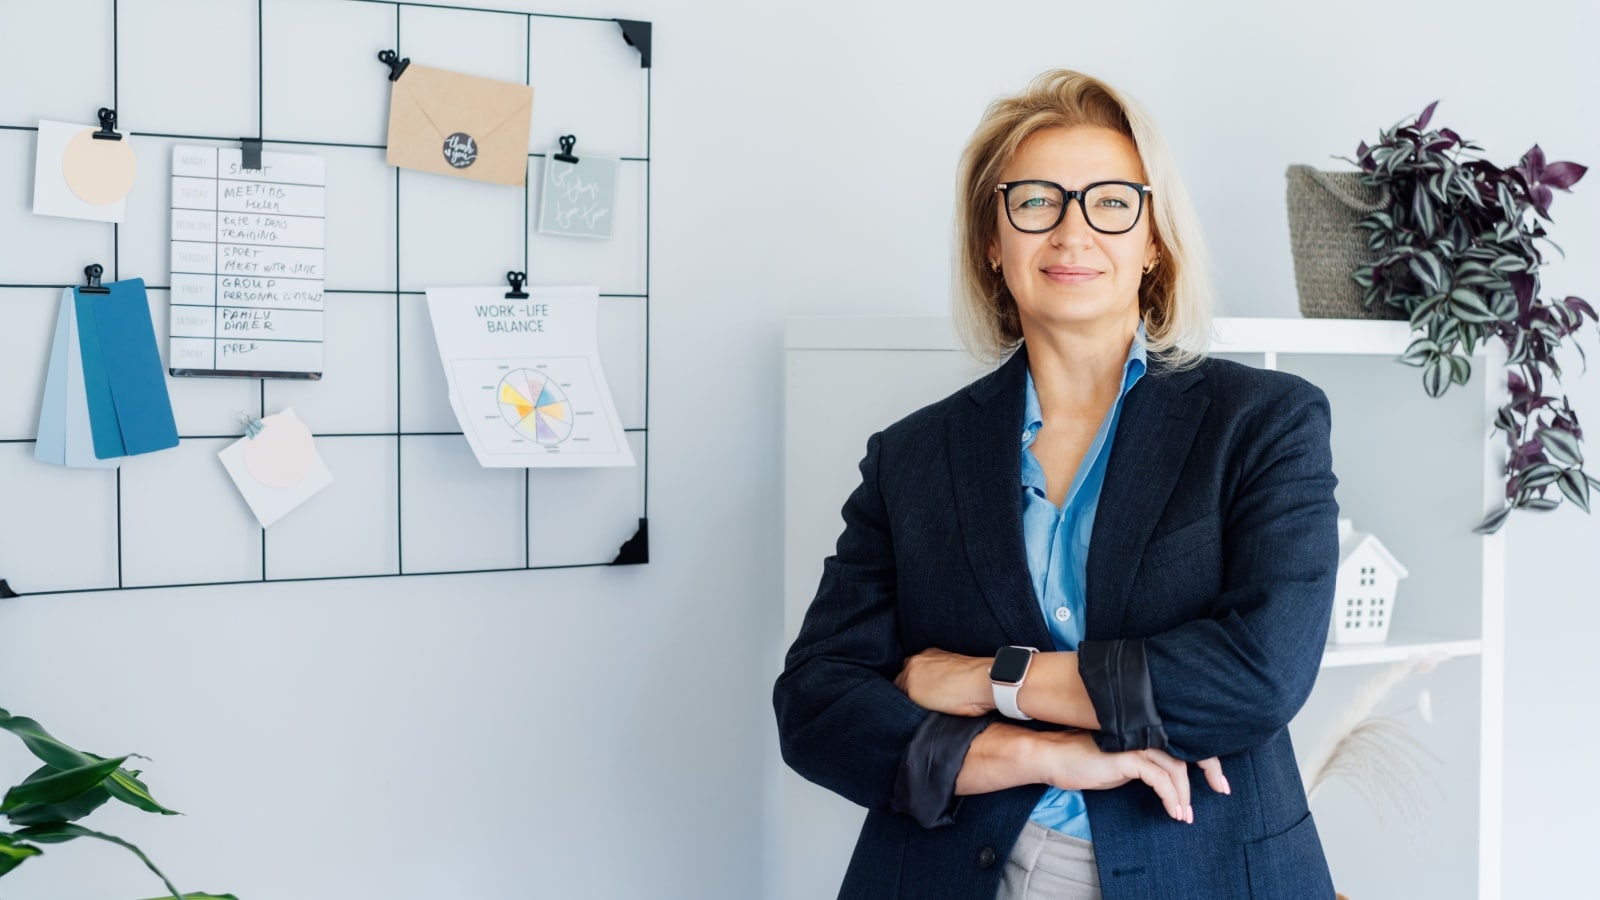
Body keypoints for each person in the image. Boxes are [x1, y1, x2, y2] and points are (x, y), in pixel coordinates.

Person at [773, 69, 1341, 900]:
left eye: (1110, 202)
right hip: (956, 864)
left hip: (1201, 867)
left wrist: (983, 681)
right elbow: (818, 704)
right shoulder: (913, 456)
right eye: (1036, 202)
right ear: (991, 243)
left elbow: (1257, 676)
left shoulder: (1264, 422)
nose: (1072, 232)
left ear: (1153, 239)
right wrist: (1033, 751)